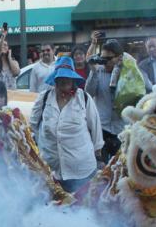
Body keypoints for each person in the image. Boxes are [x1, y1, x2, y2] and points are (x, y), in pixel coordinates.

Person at [29, 57, 103, 192]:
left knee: (80, 209)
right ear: (55, 79)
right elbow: (33, 125)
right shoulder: (44, 98)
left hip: (81, 170)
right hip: (51, 171)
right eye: (60, 78)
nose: (64, 81)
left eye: (67, 78)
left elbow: (96, 131)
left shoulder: (84, 98)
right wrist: (43, 144)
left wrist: (98, 153)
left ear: (73, 80)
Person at [85, 38, 126, 161]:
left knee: (120, 169)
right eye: (103, 58)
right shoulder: (99, 71)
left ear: (119, 57)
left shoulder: (128, 71)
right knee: (101, 170)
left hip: (121, 128)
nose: (105, 62)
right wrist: (93, 71)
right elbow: (89, 93)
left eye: (109, 59)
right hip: (102, 129)